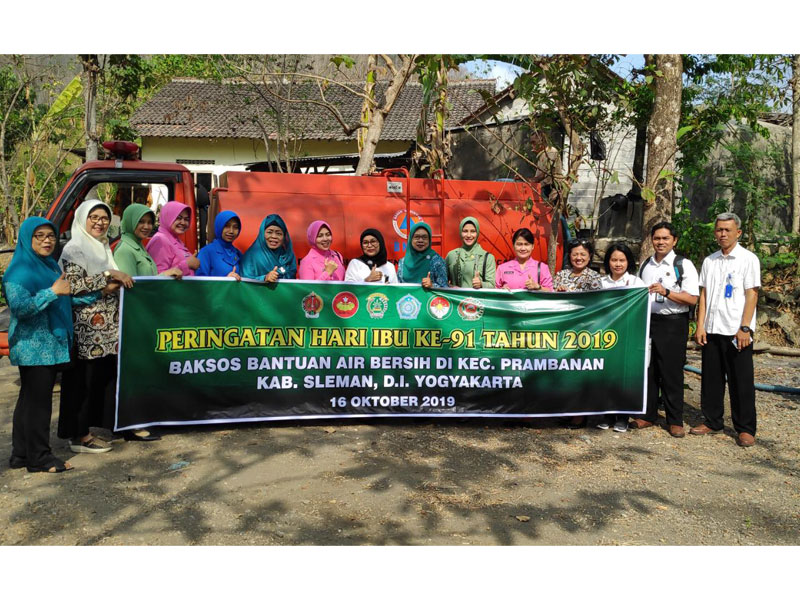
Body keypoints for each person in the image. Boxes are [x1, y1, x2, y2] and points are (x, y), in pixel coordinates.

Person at [57, 200, 142, 453]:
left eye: (104, 218)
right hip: (86, 329)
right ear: (82, 219)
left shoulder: (103, 247)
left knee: (100, 380)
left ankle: (95, 428)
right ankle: (78, 436)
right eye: (93, 217)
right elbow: (72, 287)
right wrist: (109, 276)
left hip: (107, 331)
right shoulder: (74, 249)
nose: (99, 222)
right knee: (82, 382)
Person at [3, 217, 75, 473]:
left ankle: (21, 454)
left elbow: (63, 297)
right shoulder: (18, 272)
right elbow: (21, 308)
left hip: (49, 344)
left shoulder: (49, 266)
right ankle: (39, 458)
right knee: (39, 404)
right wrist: (52, 292)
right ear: (27, 239)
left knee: (29, 401)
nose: (47, 241)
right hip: (32, 346)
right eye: (40, 236)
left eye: (51, 236)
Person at [691, 212, 761, 447]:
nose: (722, 234)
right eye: (719, 230)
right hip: (712, 327)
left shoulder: (748, 259)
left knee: (741, 381)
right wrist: (700, 325)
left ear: (738, 233)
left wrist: (745, 327)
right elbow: (704, 294)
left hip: (736, 329)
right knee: (711, 379)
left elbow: (752, 294)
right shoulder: (710, 261)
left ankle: (745, 428)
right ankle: (712, 420)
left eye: (727, 230)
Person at [633, 221, 699, 438]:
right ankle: (647, 414)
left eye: (665, 238)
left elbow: (692, 298)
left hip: (673, 323)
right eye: (657, 238)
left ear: (674, 240)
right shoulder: (646, 265)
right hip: (648, 321)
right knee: (648, 369)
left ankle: (675, 420)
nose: (660, 242)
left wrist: (667, 292)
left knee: (671, 371)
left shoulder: (683, 264)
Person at [597, 242, 646, 433]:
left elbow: (643, 307)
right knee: (606, 374)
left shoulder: (636, 283)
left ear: (628, 262)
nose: (618, 264)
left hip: (627, 338)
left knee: (623, 375)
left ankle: (623, 416)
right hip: (605, 337)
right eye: (614, 260)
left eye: (622, 260)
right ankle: (607, 415)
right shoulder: (601, 283)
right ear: (608, 262)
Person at [554, 238, 602, 428]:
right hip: (563, 331)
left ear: (589, 256)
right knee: (563, 371)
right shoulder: (561, 275)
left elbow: (597, 305)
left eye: (583, 254)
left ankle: (580, 414)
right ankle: (566, 409)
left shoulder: (593, 277)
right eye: (575, 254)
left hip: (583, 333)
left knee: (580, 372)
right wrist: (558, 293)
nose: (579, 258)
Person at [146, 201, 199, 277]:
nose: (183, 222)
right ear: (168, 217)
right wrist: (187, 264)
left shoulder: (174, 239)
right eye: (178, 218)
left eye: (186, 219)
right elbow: (158, 277)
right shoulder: (160, 240)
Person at [239, 214, 297, 282]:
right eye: (269, 232)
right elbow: (245, 281)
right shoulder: (251, 256)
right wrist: (264, 278)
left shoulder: (288, 257)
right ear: (262, 234)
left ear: (284, 237)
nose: (274, 236)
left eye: (278, 233)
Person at [445, 217, 496, 289]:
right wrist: (451, 286)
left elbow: (492, 285)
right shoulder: (451, 255)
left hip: (477, 296)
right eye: (465, 231)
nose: (469, 235)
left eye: (472, 231)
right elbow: (442, 281)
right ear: (460, 232)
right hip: (455, 296)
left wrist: (481, 284)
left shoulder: (488, 258)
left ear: (477, 233)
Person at [397, 222, 447, 289]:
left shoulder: (437, 261)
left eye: (424, 237)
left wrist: (432, 285)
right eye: (417, 237)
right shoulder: (402, 262)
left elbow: (445, 287)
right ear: (411, 239)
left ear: (429, 240)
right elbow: (398, 286)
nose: (420, 240)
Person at [196, 210, 243, 279]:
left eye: (235, 227)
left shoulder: (237, 253)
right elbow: (200, 282)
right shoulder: (206, 252)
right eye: (226, 226)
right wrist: (225, 281)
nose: (231, 231)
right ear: (219, 226)